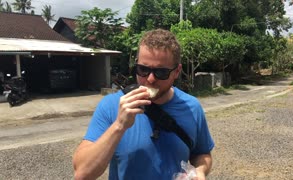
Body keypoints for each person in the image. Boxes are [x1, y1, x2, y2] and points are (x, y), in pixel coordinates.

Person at [73, 29, 214, 180]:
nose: (151, 79)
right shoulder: (111, 105)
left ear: (177, 71)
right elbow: (82, 174)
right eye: (143, 69)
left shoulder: (192, 107)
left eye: (161, 72)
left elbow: (201, 153)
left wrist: (200, 170)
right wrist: (119, 125)